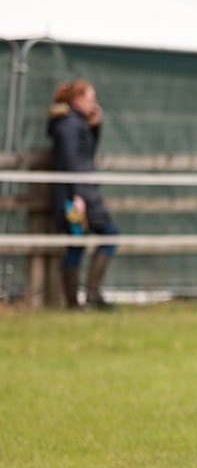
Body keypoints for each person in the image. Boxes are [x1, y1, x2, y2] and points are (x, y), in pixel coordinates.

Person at [48, 79, 117, 310]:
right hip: (75, 198)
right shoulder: (67, 125)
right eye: (90, 97)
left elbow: (86, 155)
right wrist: (77, 196)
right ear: (77, 99)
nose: (94, 103)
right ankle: (81, 300)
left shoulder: (77, 124)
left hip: (82, 194)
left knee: (81, 243)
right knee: (89, 240)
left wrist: (94, 126)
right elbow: (71, 162)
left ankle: (84, 299)